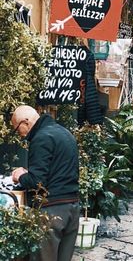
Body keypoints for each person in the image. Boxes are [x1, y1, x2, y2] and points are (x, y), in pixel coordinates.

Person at [11, 105, 80, 261]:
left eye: (17, 129)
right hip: (72, 207)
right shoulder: (65, 133)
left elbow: (37, 182)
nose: (20, 135)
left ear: (25, 122)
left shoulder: (41, 138)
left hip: (52, 211)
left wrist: (20, 176)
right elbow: (57, 170)